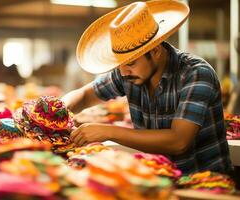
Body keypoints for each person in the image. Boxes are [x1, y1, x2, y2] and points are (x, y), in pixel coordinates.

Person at [62, 0, 232, 175]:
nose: (123, 72)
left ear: (156, 51)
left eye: (131, 63)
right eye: (119, 65)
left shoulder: (196, 74)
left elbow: (179, 141)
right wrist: (55, 110)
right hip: (160, 180)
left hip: (207, 183)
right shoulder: (128, 73)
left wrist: (108, 131)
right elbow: (84, 95)